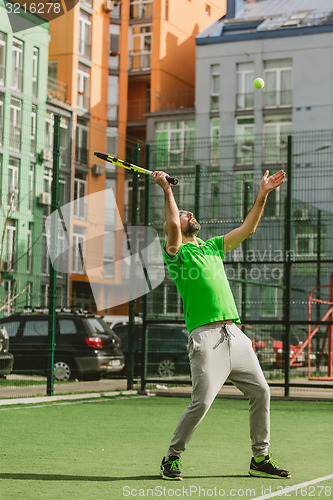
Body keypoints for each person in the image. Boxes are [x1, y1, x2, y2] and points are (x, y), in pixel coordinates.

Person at [153, 169, 291, 481]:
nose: (189, 214)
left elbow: (248, 228)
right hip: (206, 337)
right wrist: (165, 189)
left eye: (188, 212)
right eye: (185, 212)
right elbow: (173, 222)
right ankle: (172, 458)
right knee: (201, 402)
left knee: (262, 392)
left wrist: (263, 194)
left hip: (235, 335)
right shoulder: (177, 253)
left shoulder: (212, 246)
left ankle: (260, 458)